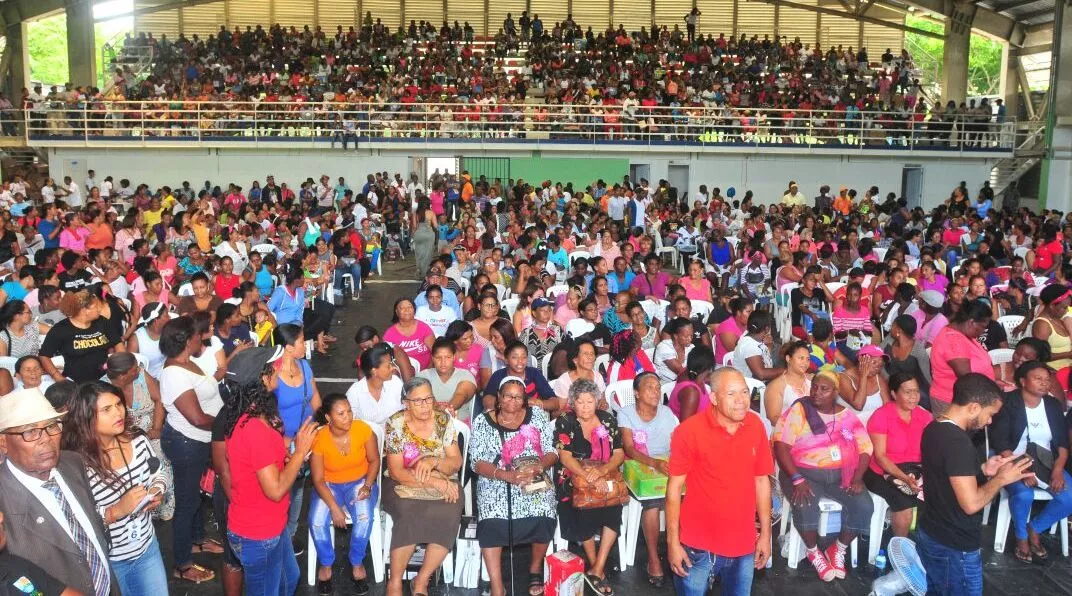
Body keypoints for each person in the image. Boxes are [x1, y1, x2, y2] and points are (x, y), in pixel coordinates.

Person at [917, 374, 1033, 596]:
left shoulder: (935, 427)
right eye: (990, 414)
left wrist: (982, 470)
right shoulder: (958, 442)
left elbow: (947, 476)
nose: (990, 421)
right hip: (954, 544)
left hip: (932, 532)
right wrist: (1001, 479)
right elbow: (971, 504)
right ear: (973, 407)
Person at [0, 388, 118, 595]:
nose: (46, 439)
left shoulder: (72, 462)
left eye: (52, 426)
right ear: (3, 443)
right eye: (30, 431)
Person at [221, 345, 318, 596]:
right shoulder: (254, 428)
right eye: (273, 367)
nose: (278, 370)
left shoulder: (250, 414)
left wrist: (285, 452)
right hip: (258, 534)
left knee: (289, 580)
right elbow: (275, 490)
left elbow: (258, 462)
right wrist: (299, 453)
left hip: (272, 525)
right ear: (262, 379)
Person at [667, 367, 772, 595]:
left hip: (743, 542)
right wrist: (672, 543)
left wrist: (765, 534)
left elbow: (762, 481)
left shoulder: (756, 427)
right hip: (698, 544)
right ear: (714, 398)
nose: (741, 401)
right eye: (731, 394)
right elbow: (674, 489)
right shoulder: (689, 432)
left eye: (744, 392)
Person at [60, 381, 169, 595]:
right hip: (108, 561)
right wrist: (116, 511)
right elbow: (74, 520)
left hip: (147, 548)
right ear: (86, 416)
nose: (118, 412)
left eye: (119, 404)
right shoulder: (75, 463)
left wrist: (158, 488)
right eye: (106, 409)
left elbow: (159, 469)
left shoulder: (137, 439)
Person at [773, 371, 874, 581]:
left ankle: (838, 548)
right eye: (814, 387)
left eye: (824, 389)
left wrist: (857, 478)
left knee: (864, 506)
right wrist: (797, 480)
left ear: (836, 393)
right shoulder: (800, 411)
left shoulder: (846, 415)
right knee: (805, 503)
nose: (816, 393)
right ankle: (813, 551)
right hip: (802, 472)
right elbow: (781, 446)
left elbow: (865, 448)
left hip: (840, 474)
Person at [470, 376, 558, 596]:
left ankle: (535, 568)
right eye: (508, 395)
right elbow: (476, 461)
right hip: (495, 479)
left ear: (525, 400)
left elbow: (552, 451)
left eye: (519, 397)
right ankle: (497, 585)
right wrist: (505, 475)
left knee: (544, 510)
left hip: (532, 473)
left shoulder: (536, 416)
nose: (513, 400)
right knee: (492, 520)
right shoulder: (482, 421)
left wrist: (539, 466)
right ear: (498, 398)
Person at [381, 377, 464, 596]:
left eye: (429, 399)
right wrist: (434, 482)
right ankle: (395, 581)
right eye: (418, 401)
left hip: (442, 477)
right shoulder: (395, 424)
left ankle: (421, 580)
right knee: (408, 515)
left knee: (450, 510)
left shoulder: (442, 420)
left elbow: (456, 462)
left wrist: (435, 462)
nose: (425, 405)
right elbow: (397, 471)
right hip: (403, 482)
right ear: (405, 402)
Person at [158, 316, 224, 583]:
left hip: (200, 440)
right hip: (187, 442)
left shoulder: (188, 362)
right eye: (199, 334)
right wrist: (228, 422)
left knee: (196, 495)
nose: (203, 337)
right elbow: (196, 418)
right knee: (187, 503)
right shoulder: (174, 373)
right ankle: (183, 563)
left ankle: (197, 540)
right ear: (187, 340)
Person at [990, 361, 1072, 563]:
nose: (1044, 383)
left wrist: (1058, 469)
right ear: (1022, 381)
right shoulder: (1008, 402)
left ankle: (1034, 528)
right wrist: (1024, 470)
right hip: (1011, 460)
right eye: (1038, 379)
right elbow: (1001, 442)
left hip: (1045, 461)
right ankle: (1021, 537)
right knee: (1024, 494)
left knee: (1069, 497)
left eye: (1047, 379)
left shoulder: (1053, 405)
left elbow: (1062, 443)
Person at [554, 379, 625, 596]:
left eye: (590, 401)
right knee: (584, 508)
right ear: (572, 403)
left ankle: (597, 567)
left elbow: (619, 454)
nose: (585, 406)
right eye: (580, 402)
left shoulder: (607, 420)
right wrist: (589, 477)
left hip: (604, 475)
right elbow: (565, 458)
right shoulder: (565, 421)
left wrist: (601, 473)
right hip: (573, 478)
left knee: (614, 506)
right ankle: (597, 567)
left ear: (597, 401)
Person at [309, 393, 380, 596]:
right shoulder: (319, 439)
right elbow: (318, 480)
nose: (348, 417)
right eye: (341, 413)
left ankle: (356, 561)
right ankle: (326, 564)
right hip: (329, 485)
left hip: (359, 482)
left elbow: (374, 461)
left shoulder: (362, 430)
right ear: (328, 418)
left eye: (349, 411)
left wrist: (367, 485)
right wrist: (334, 507)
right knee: (316, 521)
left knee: (365, 518)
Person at [619, 372, 680, 586]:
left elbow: (676, 444)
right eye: (649, 387)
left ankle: (682, 548)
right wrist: (654, 464)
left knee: (690, 496)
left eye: (657, 388)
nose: (655, 392)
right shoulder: (626, 413)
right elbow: (628, 448)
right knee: (653, 505)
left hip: (665, 465)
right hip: (639, 466)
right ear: (636, 393)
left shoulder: (666, 412)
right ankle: (653, 557)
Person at [863, 372, 932, 538]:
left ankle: (926, 545)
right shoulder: (882, 416)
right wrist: (905, 478)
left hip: (914, 469)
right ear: (894, 393)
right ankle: (901, 546)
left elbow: (931, 449)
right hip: (881, 471)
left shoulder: (924, 416)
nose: (914, 397)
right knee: (904, 502)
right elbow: (880, 457)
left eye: (916, 391)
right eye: (907, 392)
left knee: (943, 492)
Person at [270, 323, 323, 539]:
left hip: (307, 437)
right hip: (282, 441)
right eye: (301, 341)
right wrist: (285, 440)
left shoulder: (304, 366)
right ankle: (277, 532)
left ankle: (290, 532)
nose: (305, 344)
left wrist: (318, 426)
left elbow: (315, 398)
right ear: (289, 347)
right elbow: (267, 412)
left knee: (299, 486)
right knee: (282, 488)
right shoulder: (271, 374)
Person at [39, 290, 124, 383]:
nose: (99, 310)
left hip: (105, 378)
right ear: (84, 310)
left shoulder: (102, 322)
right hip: (76, 382)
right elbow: (44, 355)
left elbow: (118, 343)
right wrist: (56, 376)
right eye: (96, 307)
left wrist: (120, 364)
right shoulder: (61, 329)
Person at [929, 299, 995, 416]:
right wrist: (991, 389)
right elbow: (967, 379)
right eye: (983, 327)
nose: (983, 331)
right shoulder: (954, 341)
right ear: (971, 322)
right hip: (952, 402)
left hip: (965, 399)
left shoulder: (962, 334)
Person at [417, 337, 479, 423]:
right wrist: (438, 408)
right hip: (428, 423)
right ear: (432, 358)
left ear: (454, 357)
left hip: (459, 425)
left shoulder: (466, 375)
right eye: (438, 358)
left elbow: (461, 394)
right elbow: (422, 396)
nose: (443, 362)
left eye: (448, 357)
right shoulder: (423, 376)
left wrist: (447, 409)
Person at [346, 343, 405, 425]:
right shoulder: (354, 393)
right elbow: (352, 424)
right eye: (388, 366)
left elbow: (404, 410)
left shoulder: (395, 382)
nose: (393, 368)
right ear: (374, 371)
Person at [837, 344, 890, 425]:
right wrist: (863, 376)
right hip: (852, 429)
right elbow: (858, 405)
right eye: (874, 362)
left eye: (880, 365)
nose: (877, 368)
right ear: (860, 358)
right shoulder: (843, 378)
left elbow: (888, 408)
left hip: (876, 428)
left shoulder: (879, 379)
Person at [763, 341, 813, 425]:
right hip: (787, 432)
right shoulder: (776, 386)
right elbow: (773, 419)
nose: (805, 363)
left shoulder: (812, 380)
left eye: (808, 359)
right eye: (801, 358)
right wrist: (800, 425)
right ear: (788, 359)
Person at [384, 298, 436, 371]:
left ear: (414, 310)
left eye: (409, 307)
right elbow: (386, 359)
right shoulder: (390, 333)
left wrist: (428, 371)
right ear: (396, 312)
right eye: (402, 308)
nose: (407, 310)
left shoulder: (424, 328)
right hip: (401, 371)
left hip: (425, 371)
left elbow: (435, 352)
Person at [733, 310, 784, 381]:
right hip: (750, 386)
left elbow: (764, 358)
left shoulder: (754, 335)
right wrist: (786, 371)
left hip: (760, 381)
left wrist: (769, 346)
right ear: (767, 329)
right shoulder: (749, 345)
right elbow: (761, 374)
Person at [128, 302, 172, 379]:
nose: (170, 317)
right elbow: (130, 367)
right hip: (145, 379)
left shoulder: (170, 331)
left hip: (166, 373)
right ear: (155, 320)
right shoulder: (136, 339)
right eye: (166, 315)